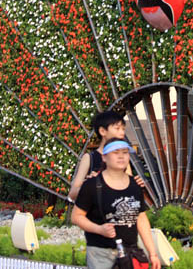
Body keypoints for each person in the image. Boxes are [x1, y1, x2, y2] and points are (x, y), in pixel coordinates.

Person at [71, 138, 161, 269]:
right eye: (116, 152)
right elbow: (76, 216)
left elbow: (141, 218)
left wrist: (152, 253)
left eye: (125, 153)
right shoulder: (92, 185)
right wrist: (99, 229)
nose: (121, 156)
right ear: (104, 157)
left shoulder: (135, 185)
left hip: (130, 253)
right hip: (101, 254)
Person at [68, 111, 143, 202]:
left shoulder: (122, 158)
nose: (122, 133)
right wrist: (91, 185)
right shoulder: (89, 158)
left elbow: (127, 192)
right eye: (117, 128)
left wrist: (134, 185)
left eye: (123, 129)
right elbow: (72, 194)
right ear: (103, 131)